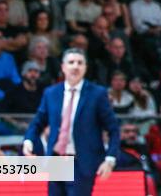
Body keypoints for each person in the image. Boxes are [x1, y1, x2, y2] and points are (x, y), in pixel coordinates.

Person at [24, 48, 120, 196]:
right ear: (63, 67)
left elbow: (113, 129)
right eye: (71, 62)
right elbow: (38, 122)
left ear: (85, 68)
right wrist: (28, 141)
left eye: (80, 63)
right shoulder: (51, 93)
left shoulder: (97, 94)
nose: (75, 66)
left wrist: (110, 159)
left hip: (82, 162)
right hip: (56, 160)